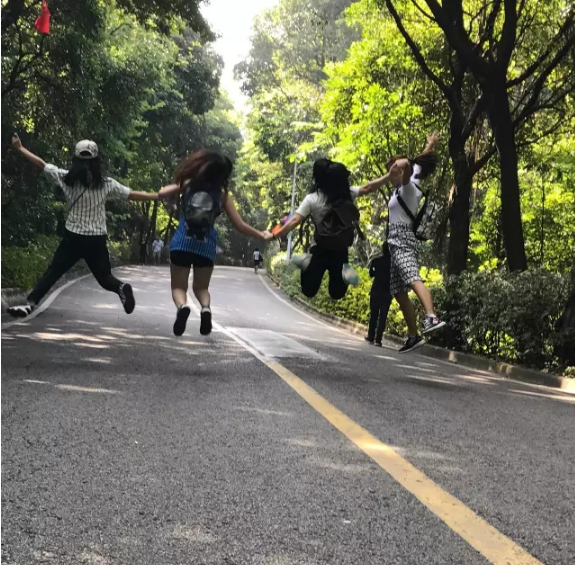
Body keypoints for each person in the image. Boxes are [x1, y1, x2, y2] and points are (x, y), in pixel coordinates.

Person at [7, 134, 158, 318]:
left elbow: (41, 164)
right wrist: (158, 196)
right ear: (97, 161)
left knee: (54, 271)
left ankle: (29, 304)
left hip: (73, 237)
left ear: (76, 159)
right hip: (96, 239)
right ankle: (121, 287)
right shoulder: (107, 184)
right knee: (104, 277)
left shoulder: (65, 178)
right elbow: (131, 194)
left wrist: (20, 148)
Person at [159, 150, 270, 337]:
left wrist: (183, 185)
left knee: (178, 287)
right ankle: (205, 309)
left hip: (181, 244)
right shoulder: (222, 195)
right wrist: (261, 234)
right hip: (206, 247)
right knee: (201, 288)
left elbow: (162, 193)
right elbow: (240, 225)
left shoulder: (188, 186)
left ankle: (183, 307)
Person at [267, 158, 396, 301]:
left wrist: (274, 235)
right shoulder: (347, 193)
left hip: (320, 249)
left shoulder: (312, 199)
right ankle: (344, 271)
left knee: (309, 290)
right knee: (337, 293)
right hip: (338, 250)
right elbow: (368, 188)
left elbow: (294, 220)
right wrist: (389, 176)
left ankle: (307, 262)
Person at [385, 133, 445, 353]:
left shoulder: (408, 186)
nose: (390, 174)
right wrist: (430, 145)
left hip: (402, 240)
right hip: (394, 242)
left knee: (412, 277)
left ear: (402, 171)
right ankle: (413, 336)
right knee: (398, 290)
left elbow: (409, 166)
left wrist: (402, 164)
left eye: (393, 170)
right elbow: (417, 165)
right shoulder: (401, 188)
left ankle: (431, 317)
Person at [365, 248, 392, 346]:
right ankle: (378, 340)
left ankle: (370, 337)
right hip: (387, 292)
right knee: (383, 317)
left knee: (373, 315)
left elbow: (371, 274)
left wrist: (377, 272)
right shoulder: (394, 265)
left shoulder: (376, 261)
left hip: (376, 291)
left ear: (383, 250)